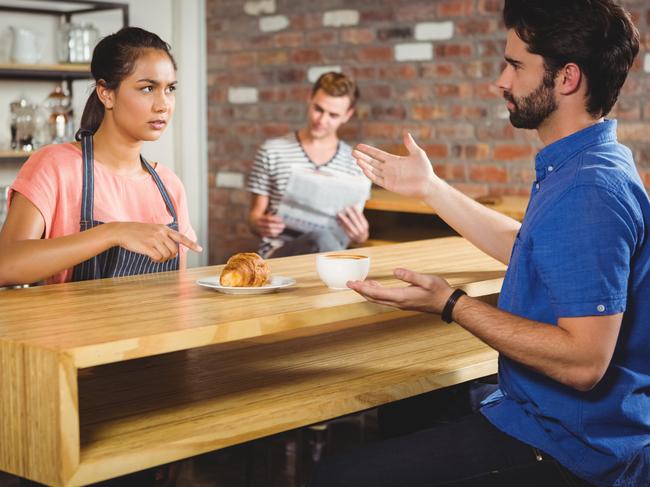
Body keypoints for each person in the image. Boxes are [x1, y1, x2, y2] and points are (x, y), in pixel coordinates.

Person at [310, 0, 647, 486]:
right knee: (408, 407)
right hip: (542, 415)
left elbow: (583, 363)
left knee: (337, 476)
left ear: (567, 77)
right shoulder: (589, 163)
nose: (501, 81)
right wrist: (430, 187)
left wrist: (451, 303)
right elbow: (528, 248)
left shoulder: (588, 190)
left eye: (515, 65)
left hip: (571, 450)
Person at [0, 27, 201, 288]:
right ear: (106, 93)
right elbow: (6, 264)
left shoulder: (168, 185)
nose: (163, 105)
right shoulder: (55, 166)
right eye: (148, 88)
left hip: (156, 329)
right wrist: (113, 233)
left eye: (170, 89)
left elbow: (178, 290)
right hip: (75, 329)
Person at [246, 72, 370, 258]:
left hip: (328, 257)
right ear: (309, 98)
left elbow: (349, 236)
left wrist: (361, 236)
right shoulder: (272, 151)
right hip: (279, 255)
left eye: (333, 115)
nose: (322, 120)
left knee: (325, 240)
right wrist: (260, 223)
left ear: (348, 115)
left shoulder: (355, 164)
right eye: (318, 109)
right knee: (320, 238)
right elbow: (254, 218)